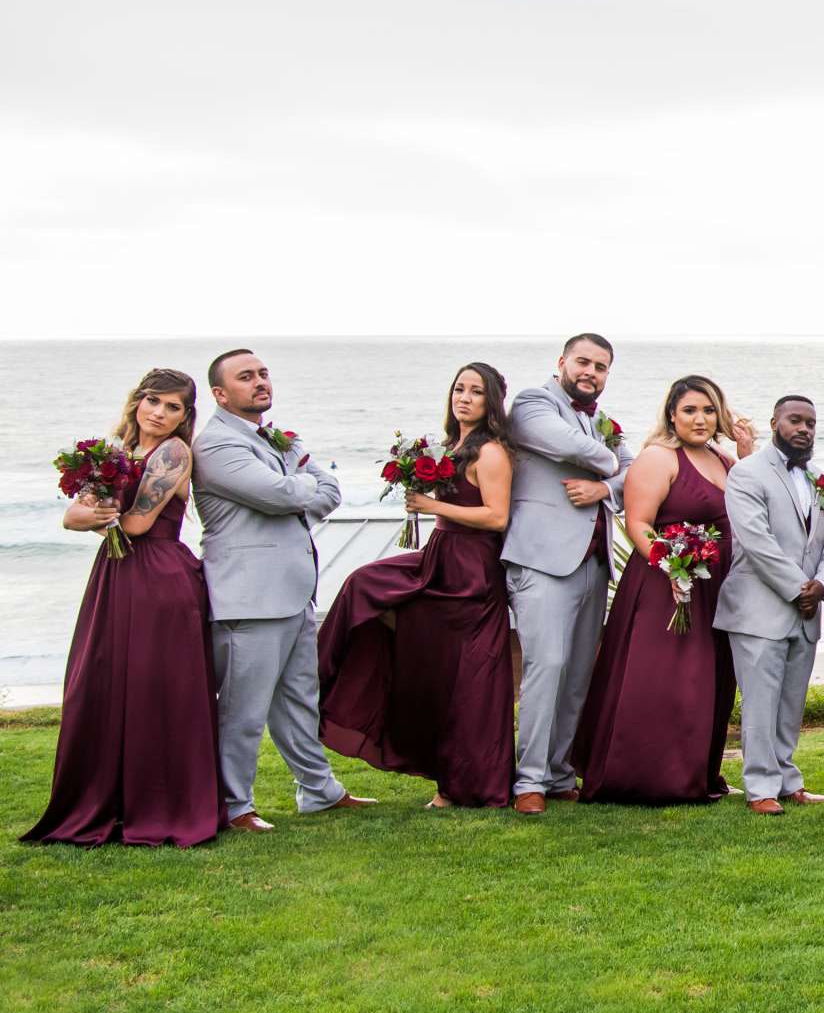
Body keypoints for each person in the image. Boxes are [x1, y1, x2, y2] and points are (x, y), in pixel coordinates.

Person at [24, 369, 223, 846]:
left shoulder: (174, 452)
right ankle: (107, 802)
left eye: (173, 407)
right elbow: (73, 514)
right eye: (154, 401)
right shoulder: (114, 453)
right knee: (102, 681)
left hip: (159, 576)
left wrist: (94, 518)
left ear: (184, 416)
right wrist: (88, 517)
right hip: (115, 575)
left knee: (156, 689)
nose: (160, 412)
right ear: (138, 401)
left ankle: (160, 804)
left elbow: (134, 525)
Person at [317, 362, 517, 808]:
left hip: (471, 570)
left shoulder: (491, 452)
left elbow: (496, 516)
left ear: (491, 402)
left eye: (476, 392)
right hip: (438, 557)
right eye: (459, 389)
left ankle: (466, 784)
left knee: (466, 680)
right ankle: (325, 679)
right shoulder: (452, 446)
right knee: (364, 585)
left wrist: (429, 504)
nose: (463, 398)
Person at [194, 349, 370, 832]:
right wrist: (296, 479)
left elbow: (327, 491)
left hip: (292, 591)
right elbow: (279, 494)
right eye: (245, 377)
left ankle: (319, 791)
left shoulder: (271, 439)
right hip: (247, 597)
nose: (259, 382)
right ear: (220, 393)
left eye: (263, 373)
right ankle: (234, 806)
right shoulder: (215, 445)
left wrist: (294, 492)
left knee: (299, 699)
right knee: (242, 709)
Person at [570, 375, 756, 803]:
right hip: (666, 585)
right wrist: (672, 567)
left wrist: (748, 455)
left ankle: (696, 774)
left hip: (716, 587)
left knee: (708, 680)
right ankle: (646, 776)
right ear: (672, 414)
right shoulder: (658, 458)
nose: (701, 419)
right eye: (690, 410)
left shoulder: (725, 460)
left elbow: (751, 509)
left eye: (709, 410)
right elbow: (637, 522)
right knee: (663, 679)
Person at [501, 333, 631, 813]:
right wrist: (607, 462)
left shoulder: (602, 421)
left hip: (593, 561)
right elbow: (565, 445)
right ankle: (527, 781)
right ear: (561, 362)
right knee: (546, 666)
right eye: (583, 362)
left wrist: (604, 490)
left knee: (577, 673)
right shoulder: (534, 403)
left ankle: (558, 775)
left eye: (600, 367)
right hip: (541, 558)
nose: (590, 372)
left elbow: (630, 475)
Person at [719, 394, 824, 815]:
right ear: (775, 422)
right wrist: (797, 588)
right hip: (759, 607)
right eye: (795, 420)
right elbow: (755, 542)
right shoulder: (746, 474)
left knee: (791, 703)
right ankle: (760, 788)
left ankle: (788, 780)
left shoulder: (823, 481)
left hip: (807, 611)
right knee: (760, 701)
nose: (803, 428)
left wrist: (822, 586)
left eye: (810, 422)